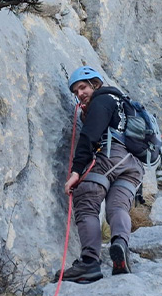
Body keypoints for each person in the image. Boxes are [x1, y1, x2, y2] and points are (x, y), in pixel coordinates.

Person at [58, 66, 144, 284]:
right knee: (117, 207)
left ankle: (89, 262)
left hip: (111, 156)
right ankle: (120, 247)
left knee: (86, 198)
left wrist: (76, 171)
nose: (80, 94)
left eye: (83, 87)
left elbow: (90, 135)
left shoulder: (102, 100)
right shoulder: (122, 102)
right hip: (134, 166)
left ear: (95, 84)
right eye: (76, 91)